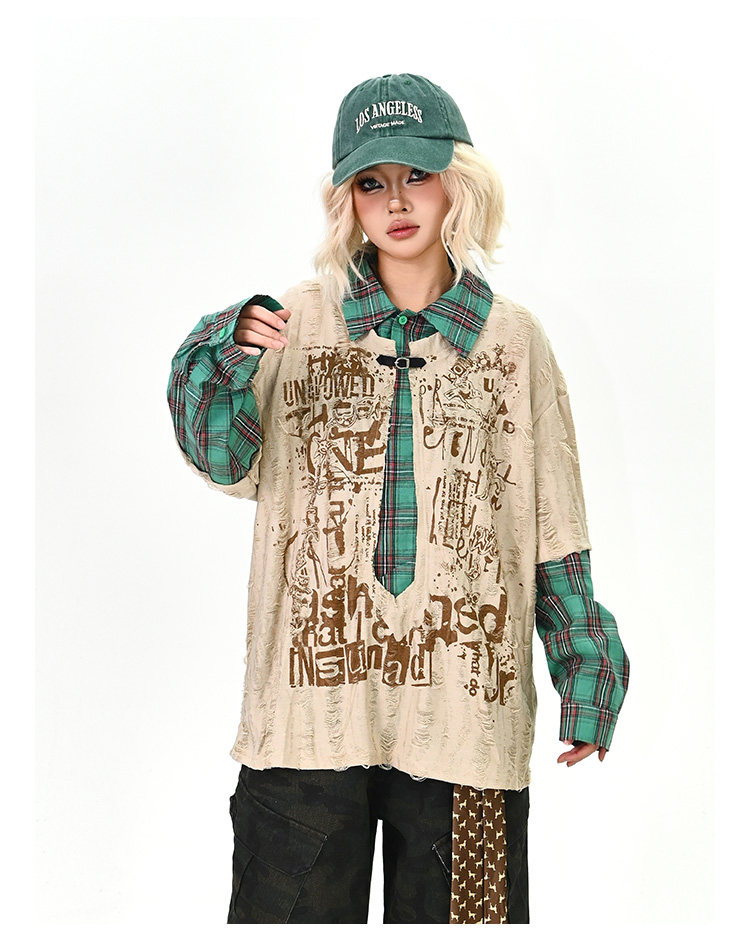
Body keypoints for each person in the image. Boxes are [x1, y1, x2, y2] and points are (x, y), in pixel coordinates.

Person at [166, 72, 630, 924]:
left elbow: (553, 517)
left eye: (418, 174)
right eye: (371, 182)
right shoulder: (295, 322)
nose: (397, 202)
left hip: (469, 718)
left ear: (459, 182)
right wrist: (217, 357)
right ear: (347, 200)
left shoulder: (514, 340)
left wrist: (586, 666)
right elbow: (223, 459)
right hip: (305, 720)